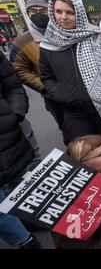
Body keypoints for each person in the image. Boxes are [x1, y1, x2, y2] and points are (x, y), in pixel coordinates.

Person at [40, 0, 101, 163]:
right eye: (58, 11)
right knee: (85, 161)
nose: (63, 17)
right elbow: (47, 78)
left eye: (70, 12)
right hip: (75, 114)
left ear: (79, 14)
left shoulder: (99, 37)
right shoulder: (48, 45)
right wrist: (65, 95)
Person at [0, 51, 41, 249]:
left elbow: (12, 86)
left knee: (21, 185)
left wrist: (14, 113)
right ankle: (25, 242)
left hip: (9, 136)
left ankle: (31, 218)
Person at [9, 0, 64, 131]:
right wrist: (45, 86)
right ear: (27, 14)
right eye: (33, 11)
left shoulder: (65, 32)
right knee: (68, 129)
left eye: (43, 11)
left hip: (78, 90)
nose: (39, 14)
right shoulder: (21, 42)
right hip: (54, 97)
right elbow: (19, 70)